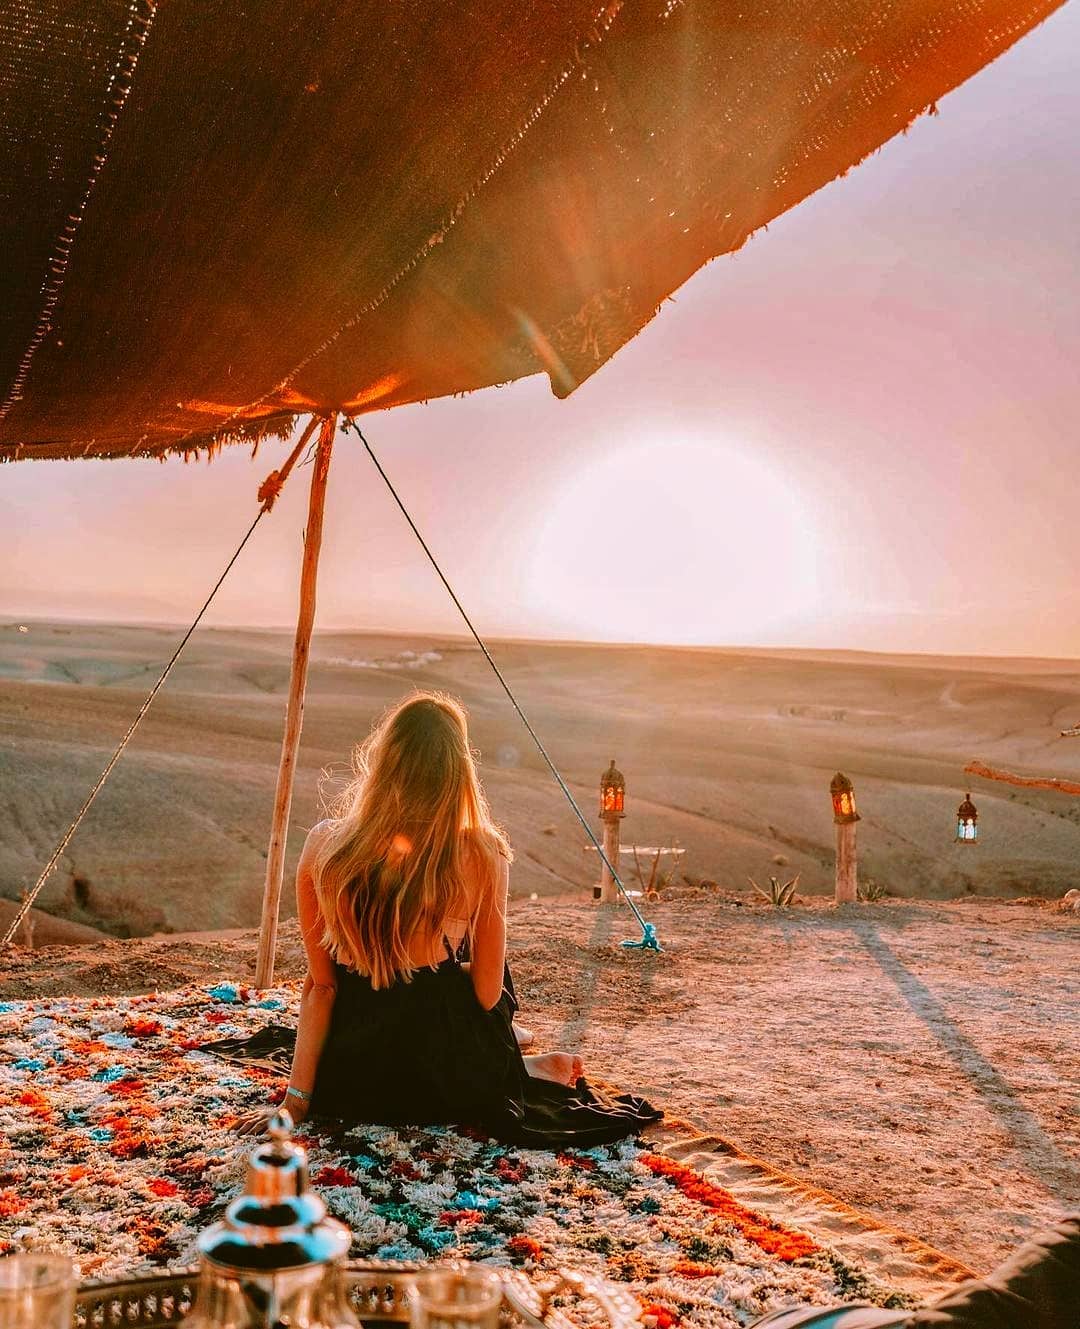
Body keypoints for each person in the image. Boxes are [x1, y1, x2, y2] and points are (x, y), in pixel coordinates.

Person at [236, 691, 660, 1146]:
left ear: (382, 763)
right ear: (459, 772)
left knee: (406, 983)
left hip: (355, 1081)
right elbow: (486, 993)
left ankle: (519, 1054)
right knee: (484, 970)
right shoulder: (483, 852)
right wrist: (441, 969)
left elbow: (321, 987)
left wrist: (296, 1101)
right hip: (445, 1079)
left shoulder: (324, 845)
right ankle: (520, 1065)